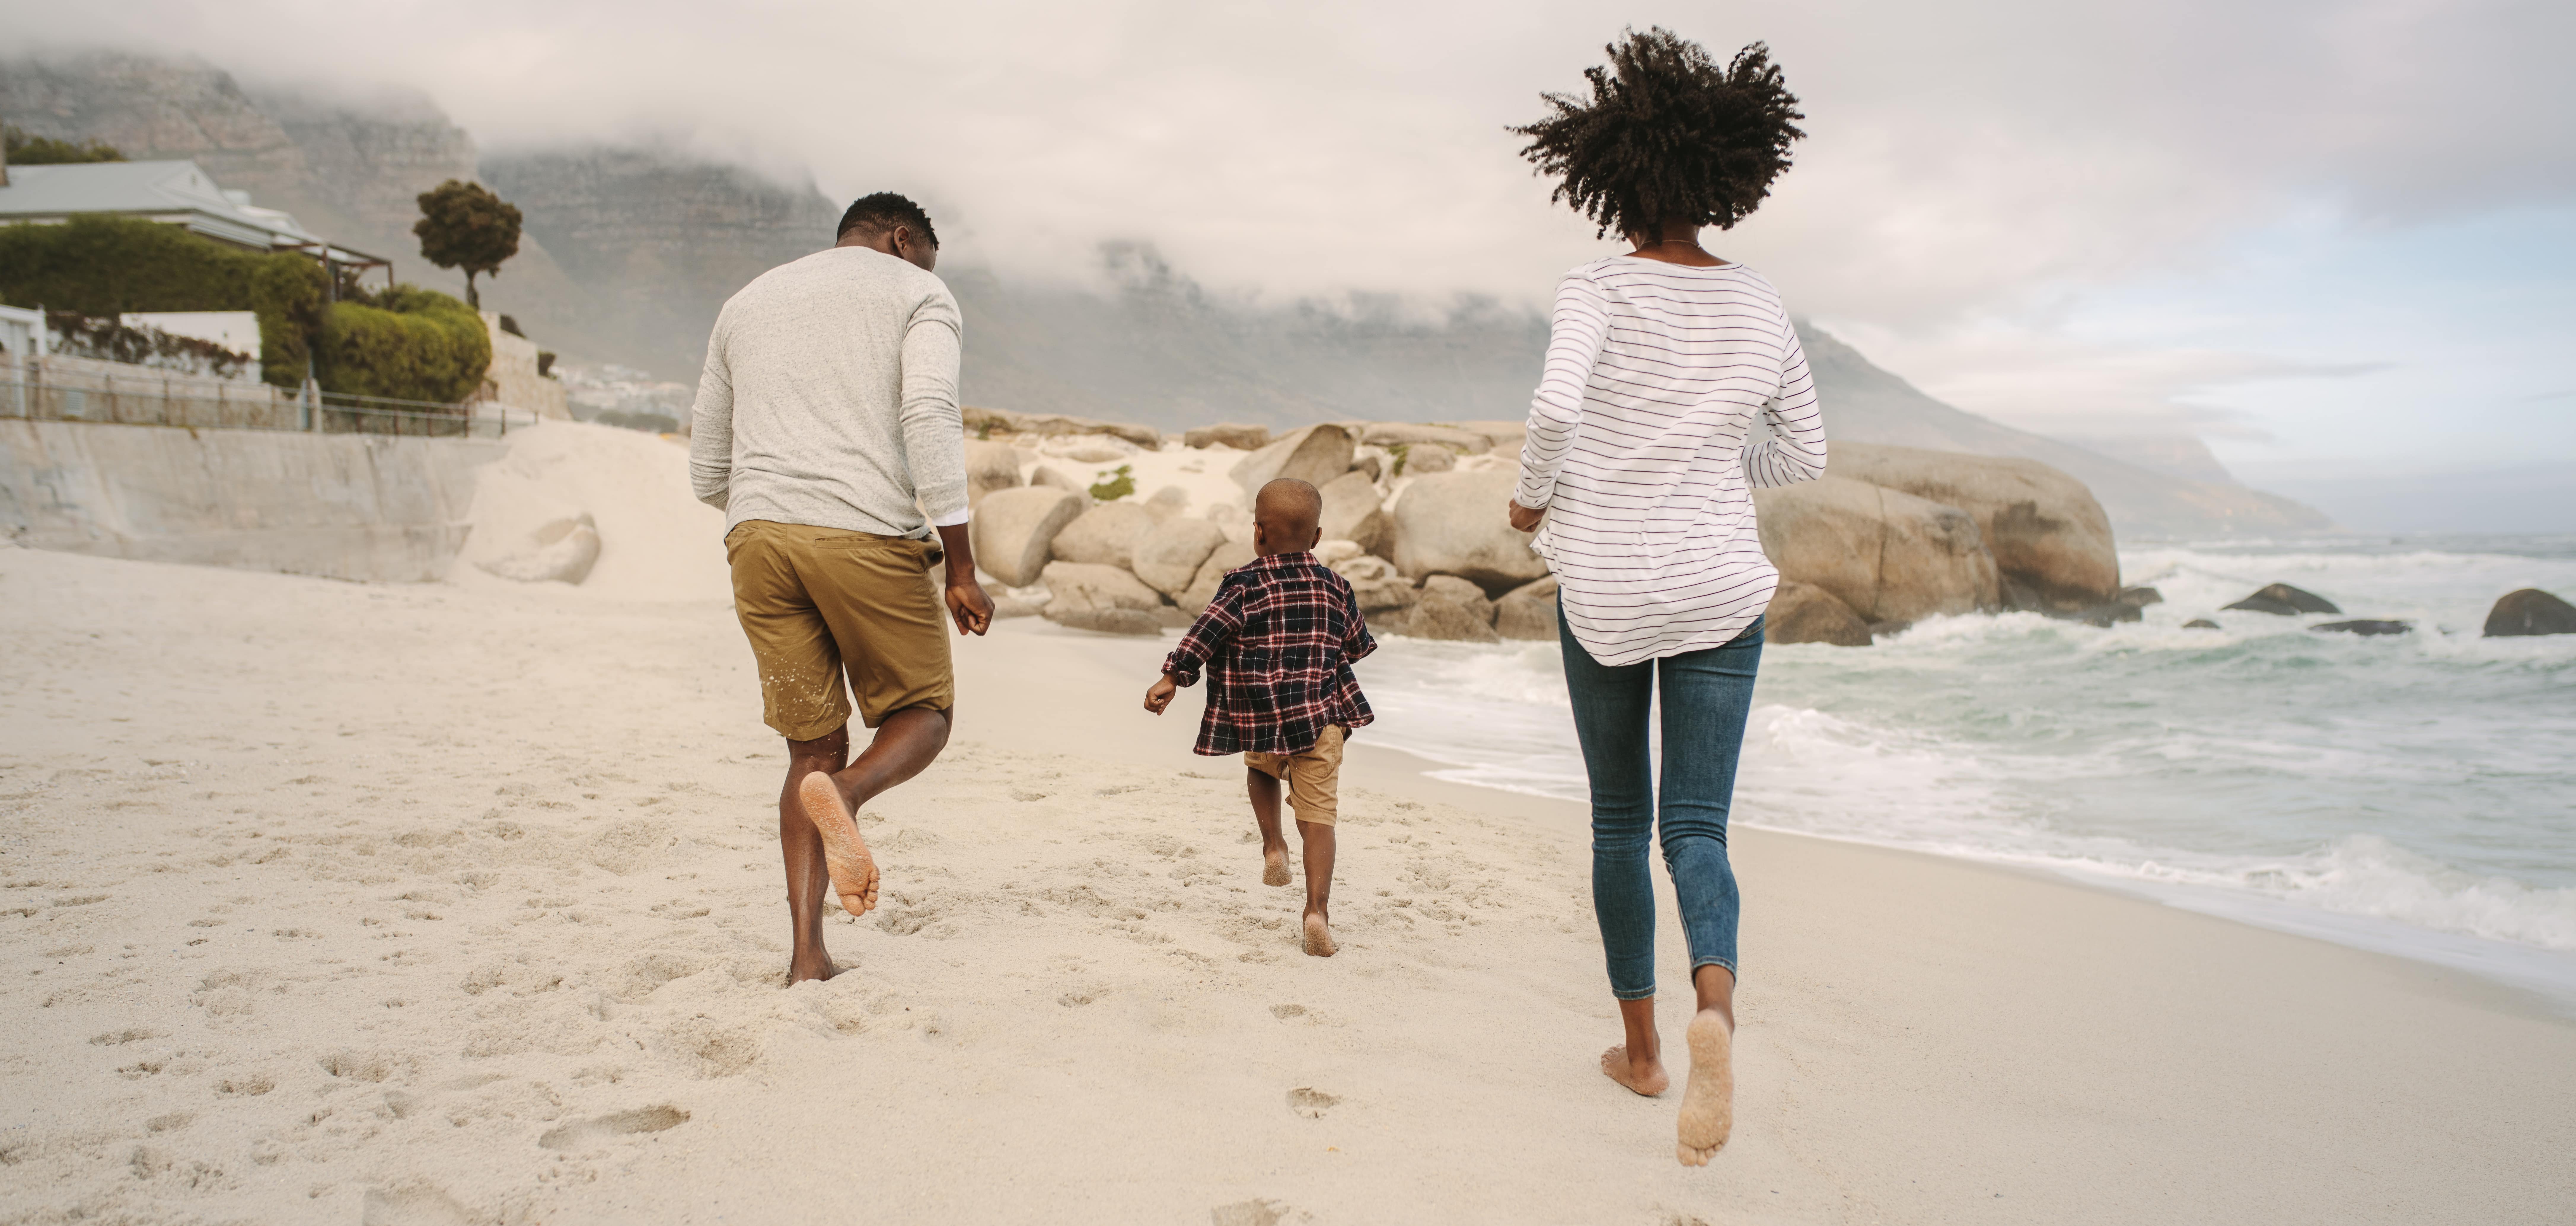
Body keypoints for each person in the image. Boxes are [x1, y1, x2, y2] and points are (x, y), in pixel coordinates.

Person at [1504, 30, 1826, 1166]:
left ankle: (1640, 1052)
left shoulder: (1594, 286)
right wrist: (1701, 462)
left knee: (1613, 821)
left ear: (1606, 170)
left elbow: (1551, 409)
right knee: (1695, 827)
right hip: (1717, 588)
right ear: (1722, 175)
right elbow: (1802, 452)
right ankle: (1716, 1015)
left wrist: (1534, 504)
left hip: (1603, 583)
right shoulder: (1757, 303)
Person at [687, 191, 995, 985]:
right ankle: (850, 795)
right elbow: (928, 411)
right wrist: (961, 564)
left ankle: (806, 958)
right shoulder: (920, 291)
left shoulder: (748, 302)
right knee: (923, 714)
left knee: (808, 749)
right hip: (861, 533)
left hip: (755, 537)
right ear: (904, 240)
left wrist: (775, 513)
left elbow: (707, 470)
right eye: (927, 253)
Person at [1142, 478, 1375, 958]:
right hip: (1322, 717)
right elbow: (1356, 645)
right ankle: (1316, 912)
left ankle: (1274, 846)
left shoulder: (1244, 584)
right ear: (1317, 538)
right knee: (1319, 818)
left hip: (1261, 713)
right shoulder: (1336, 585)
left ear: (1258, 533)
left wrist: (1173, 675)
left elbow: (1206, 632)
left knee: (1260, 769)